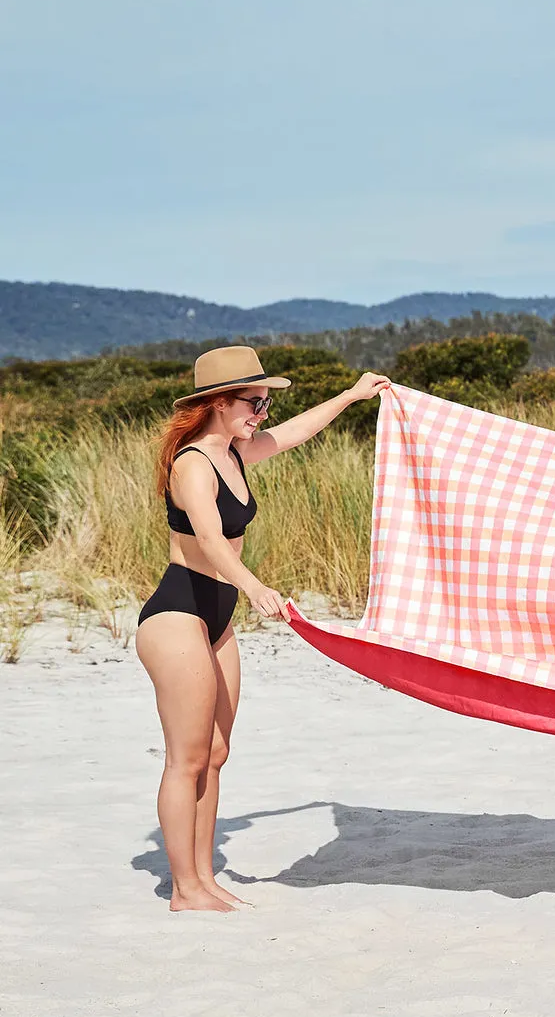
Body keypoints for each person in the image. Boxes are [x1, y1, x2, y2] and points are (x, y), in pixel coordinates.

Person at [135, 344, 389, 912]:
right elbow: (206, 536)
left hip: (217, 614)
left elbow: (298, 432)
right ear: (220, 402)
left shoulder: (237, 451)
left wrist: (351, 396)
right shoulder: (192, 462)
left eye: (266, 403)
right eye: (255, 401)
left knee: (217, 753)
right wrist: (253, 587)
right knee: (187, 758)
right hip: (178, 613)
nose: (264, 412)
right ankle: (184, 890)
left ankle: (203, 878)